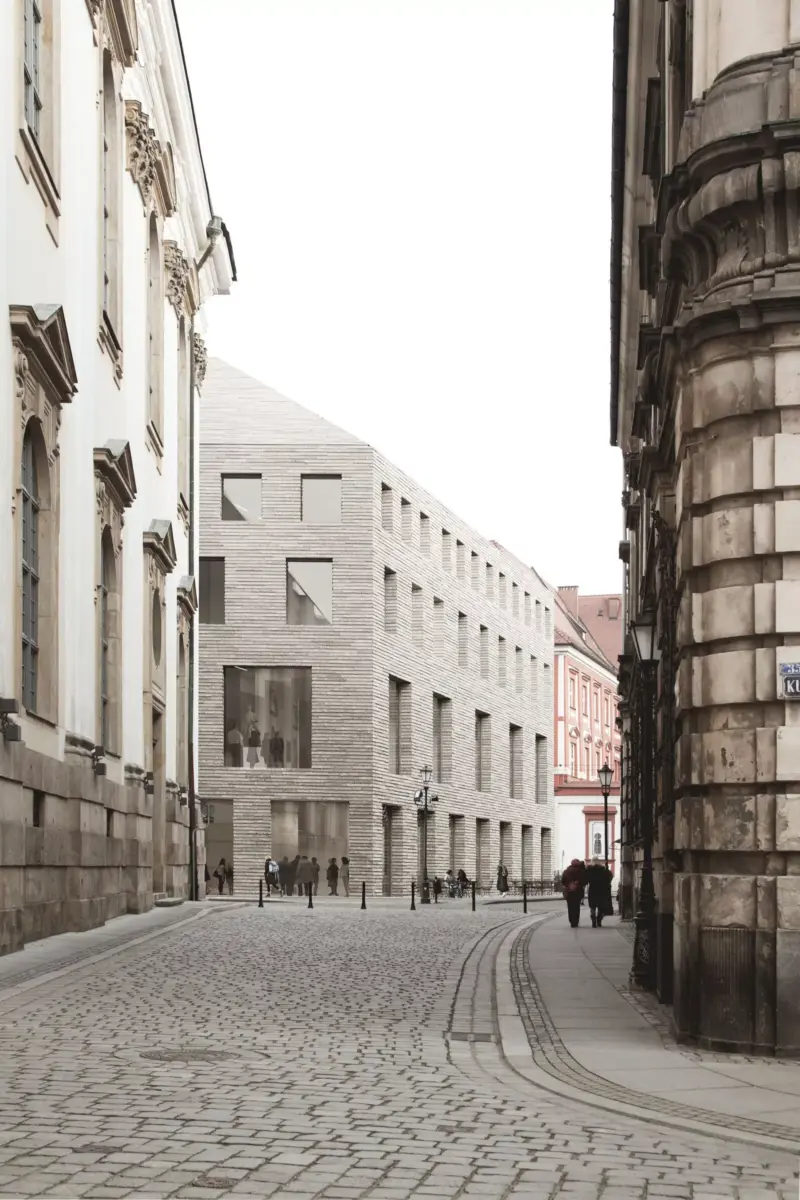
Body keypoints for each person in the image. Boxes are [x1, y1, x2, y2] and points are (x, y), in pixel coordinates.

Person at [584, 858, 613, 927]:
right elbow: (610, 877)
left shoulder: (588, 870)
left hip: (592, 890)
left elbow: (585, 879)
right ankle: (599, 921)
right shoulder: (604, 869)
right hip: (601, 890)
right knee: (601, 906)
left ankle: (593, 922)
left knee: (592, 907)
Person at [561, 858, 585, 927]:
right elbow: (584, 881)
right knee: (577, 907)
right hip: (578, 891)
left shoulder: (566, 871)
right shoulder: (581, 871)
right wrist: (578, 884)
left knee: (570, 907)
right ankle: (576, 921)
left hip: (569, 891)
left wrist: (568, 885)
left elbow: (563, 881)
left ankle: (571, 921)